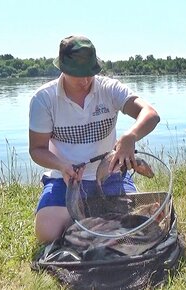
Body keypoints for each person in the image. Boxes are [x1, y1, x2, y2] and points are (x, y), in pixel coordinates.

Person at [29, 35, 160, 244]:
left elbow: (150, 114)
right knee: (47, 234)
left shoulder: (110, 89)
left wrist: (130, 136)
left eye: (90, 73)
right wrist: (62, 166)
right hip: (65, 180)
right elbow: (37, 149)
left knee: (139, 225)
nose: (85, 81)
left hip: (110, 176)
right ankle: (90, 226)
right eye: (76, 75)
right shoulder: (44, 99)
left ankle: (89, 228)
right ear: (62, 68)